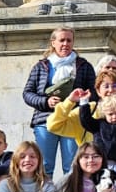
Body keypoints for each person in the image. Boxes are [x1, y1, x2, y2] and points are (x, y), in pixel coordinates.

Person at [22, 27, 96, 175]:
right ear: (53, 42)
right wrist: (46, 101)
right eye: (62, 40)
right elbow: (27, 93)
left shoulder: (84, 66)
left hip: (72, 120)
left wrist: (85, 97)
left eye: (69, 40)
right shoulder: (41, 66)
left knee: (72, 165)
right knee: (44, 166)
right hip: (45, 120)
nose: (65, 44)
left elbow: (95, 92)